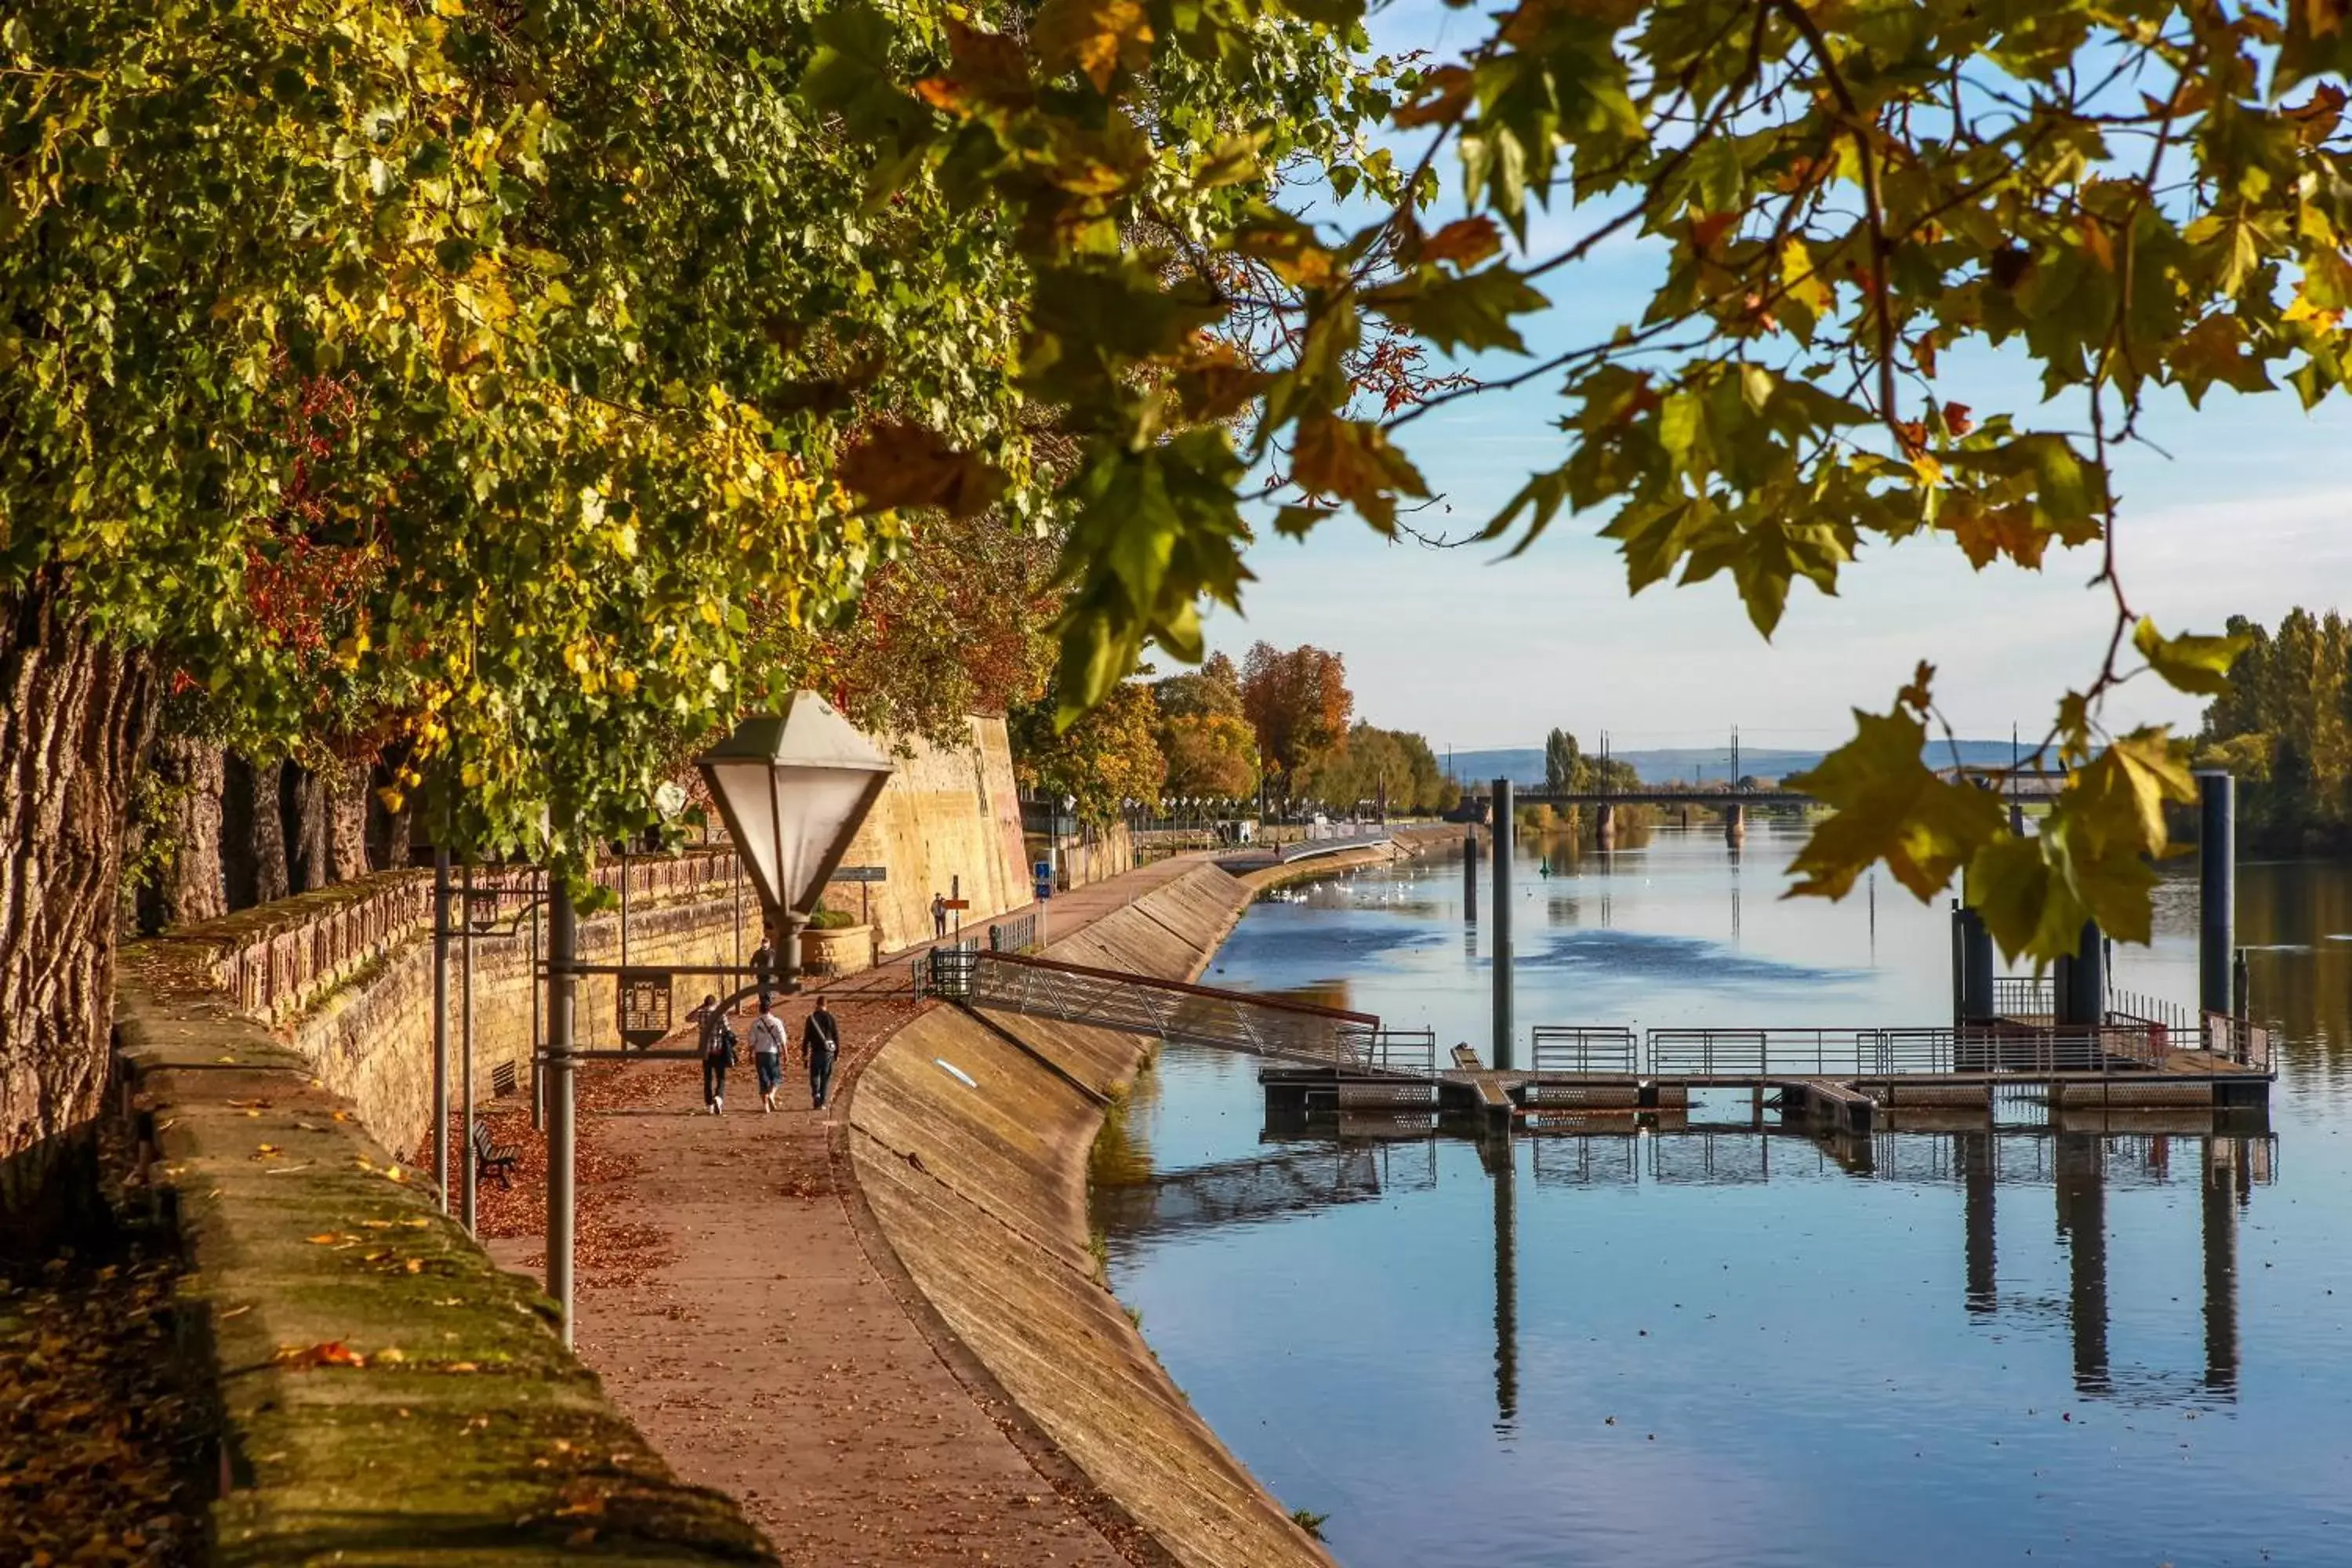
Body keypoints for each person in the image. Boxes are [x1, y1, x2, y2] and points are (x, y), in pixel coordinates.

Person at [750, 1000, 787, 1113]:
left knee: (763, 1079)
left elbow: (752, 1040)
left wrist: (750, 1054)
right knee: (776, 1077)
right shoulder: (777, 1022)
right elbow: (782, 1039)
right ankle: (771, 1094)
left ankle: (766, 1106)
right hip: (772, 1053)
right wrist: (786, 1053)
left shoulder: (756, 1023)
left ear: (760, 1010)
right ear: (770, 1009)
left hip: (760, 1053)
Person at [701, 1000, 738, 1114]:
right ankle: (718, 1097)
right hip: (718, 1050)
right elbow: (728, 1030)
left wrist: (702, 1007)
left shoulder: (700, 1014)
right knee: (721, 1077)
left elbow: (688, 1018)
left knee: (708, 1079)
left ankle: (709, 1105)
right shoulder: (720, 1015)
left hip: (705, 1051)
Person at [804, 1000, 840, 1110]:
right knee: (825, 1077)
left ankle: (816, 1094)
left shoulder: (811, 1019)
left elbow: (806, 1038)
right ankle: (822, 1102)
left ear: (817, 1005)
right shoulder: (831, 1018)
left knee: (815, 1074)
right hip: (828, 1052)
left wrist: (805, 1053)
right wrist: (837, 1053)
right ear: (826, 1005)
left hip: (816, 1051)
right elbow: (836, 1036)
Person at [750, 935, 775, 1007]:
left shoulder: (772, 953)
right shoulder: (757, 953)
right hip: (760, 975)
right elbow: (752, 962)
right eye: (764, 943)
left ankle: (768, 1006)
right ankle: (763, 1005)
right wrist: (752, 972)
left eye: (766, 943)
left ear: (769, 944)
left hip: (769, 976)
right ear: (761, 944)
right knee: (761, 992)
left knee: (767, 991)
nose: (765, 945)